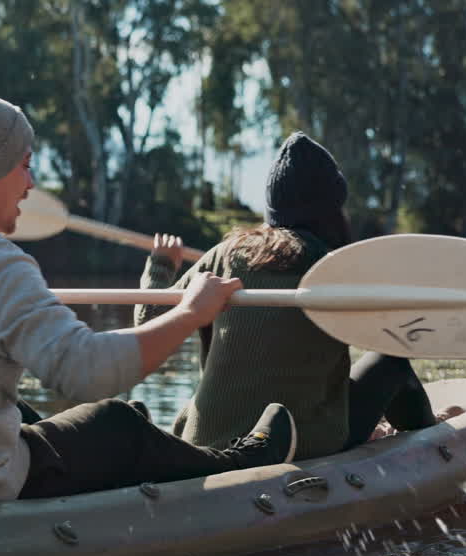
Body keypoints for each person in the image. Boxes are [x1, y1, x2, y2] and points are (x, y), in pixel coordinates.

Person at [0, 89, 296, 501]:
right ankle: (245, 462)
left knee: (24, 412)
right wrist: (193, 312)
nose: (30, 184)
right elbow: (86, 373)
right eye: (24, 166)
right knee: (116, 423)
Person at [135, 131, 438, 459]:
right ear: (333, 208)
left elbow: (147, 318)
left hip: (203, 440)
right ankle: (435, 443)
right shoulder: (337, 269)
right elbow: (398, 332)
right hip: (300, 441)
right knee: (392, 361)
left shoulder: (226, 255)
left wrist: (161, 265)